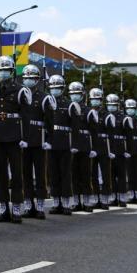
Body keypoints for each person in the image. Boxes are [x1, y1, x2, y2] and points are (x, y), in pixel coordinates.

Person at [0, 55, 26, 223]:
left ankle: (16, 207)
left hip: (14, 135)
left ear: (12, 71)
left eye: (6, 70)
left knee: (17, 173)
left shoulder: (20, 90)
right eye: (0, 70)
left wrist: (24, 136)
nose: (3, 72)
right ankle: (4, 207)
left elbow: (25, 115)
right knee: (0, 173)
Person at [20, 64, 52, 219]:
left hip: (39, 139)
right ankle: (28, 205)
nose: (29, 80)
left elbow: (50, 121)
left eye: (32, 78)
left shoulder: (44, 97)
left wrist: (49, 139)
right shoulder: (20, 94)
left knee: (40, 174)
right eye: (26, 78)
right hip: (24, 139)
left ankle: (40, 206)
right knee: (25, 174)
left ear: (37, 79)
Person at [47, 75, 78, 215]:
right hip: (51, 143)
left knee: (65, 173)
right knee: (53, 173)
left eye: (58, 87)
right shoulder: (47, 102)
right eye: (52, 87)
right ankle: (56, 202)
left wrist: (74, 144)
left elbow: (75, 127)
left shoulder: (69, 104)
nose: (55, 90)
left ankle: (65, 203)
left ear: (62, 89)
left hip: (65, 142)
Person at [68, 82, 94, 213]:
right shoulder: (68, 108)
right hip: (72, 144)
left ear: (82, 95)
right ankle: (76, 201)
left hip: (84, 144)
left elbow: (93, 130)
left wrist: (93, 147)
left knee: (85, 174)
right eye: (72, 94)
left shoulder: (88, 111)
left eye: (77, 94)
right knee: (74, 175)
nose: (74, 96)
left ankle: (87, 201)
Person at [87, 88, 113, 210]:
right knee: (93, 174)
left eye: (97, 99)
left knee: (105, 173)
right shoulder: (88, 113)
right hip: (92, 145)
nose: (95, 101)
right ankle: (96, 198)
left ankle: (105, 199)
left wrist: (111, 150)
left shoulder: (107, 115)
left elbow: (111, 133)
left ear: (101, 100)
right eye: (93, 99)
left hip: (103, 145)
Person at [105, 94, 128, 207]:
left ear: (118, 106)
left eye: (114, 105)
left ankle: (122, 197)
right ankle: (113, 196)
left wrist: (127, 149)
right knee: (111, 175)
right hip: (109, 147)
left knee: (121, 174)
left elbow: (128, 135)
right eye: (109, 105)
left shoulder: (123, 118)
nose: (111, 107)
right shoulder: (105, 116)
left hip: (120, 147)